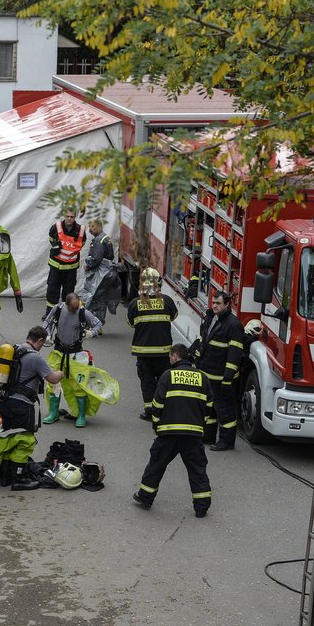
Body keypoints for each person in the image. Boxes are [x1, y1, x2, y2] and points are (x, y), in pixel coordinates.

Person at [133, 343, 215, 518]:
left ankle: (145, 497)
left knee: (157, 464)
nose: (169, 360)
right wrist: (201, 425)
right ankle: (201, 507)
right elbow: (209, 405)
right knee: (197, 469)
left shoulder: (168, 376)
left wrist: (156, 425)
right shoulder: (202, 377)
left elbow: (157, 405)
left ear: (176, 357)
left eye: (170, 357)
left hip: (168, 432)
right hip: (193, 434)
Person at [0, 326, 63, 488]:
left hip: (5, 401)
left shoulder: (13, 350)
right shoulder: (35, 357)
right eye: (42, 343)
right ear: (39, 340)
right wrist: (60, 373)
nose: (42, 347)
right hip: (22, 404)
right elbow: (52, 379)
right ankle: (18, 479)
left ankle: (5, 475)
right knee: (24, 439)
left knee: (8, 436)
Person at [193, 290, 245, 451]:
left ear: (227, 304)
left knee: (225, 411)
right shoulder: (210, 318)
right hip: (208, 373)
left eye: (218, 303)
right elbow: (203, 342)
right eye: (213, 302)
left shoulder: (233, 325)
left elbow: (235, 353)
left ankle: (226, 441)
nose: (215, 306)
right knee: (209, 408)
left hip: (222, 377)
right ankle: (208, 436)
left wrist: (228, 377)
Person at [42, 293, 103, 428]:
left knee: (78, 385)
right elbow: (47, 321)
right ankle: (53, 412)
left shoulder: (82, 312)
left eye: (77, 307)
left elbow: (98, 323)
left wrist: (92, 333)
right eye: (72, 308)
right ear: (67, 304)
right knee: (53, 383)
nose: (75, 310)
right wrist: (45, 334)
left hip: (76, 354)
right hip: (58, 353)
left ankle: (80, 415)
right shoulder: (58, 309)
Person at [127, 267, 179, 421]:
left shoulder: (135, 304)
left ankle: (150, 412)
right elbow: (174, 316)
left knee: (147, 382)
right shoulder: (167, 301)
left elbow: (130, 323)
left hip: (143, 354)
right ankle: (163, 410)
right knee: (164, 382)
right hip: (163, 353)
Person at [45, 208, 86, 316]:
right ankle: (50, 313)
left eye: (71, 217)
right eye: (67, 216)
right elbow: (51, 238)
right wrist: (56, 246)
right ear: (64, 215)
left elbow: (83, 243)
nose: (69, 219)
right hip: (56, 266)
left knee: (68, 292)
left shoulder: (80, 230)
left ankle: (66, 314)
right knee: (52, 289)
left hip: (71, 268)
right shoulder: (56, 227)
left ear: (75, 217)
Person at [78, 218, 119, 323]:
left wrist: (88, 265)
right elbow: (111, 256)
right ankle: (99, 322)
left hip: (100, 273)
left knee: (95, 297)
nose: (90, 230)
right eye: (90, 227)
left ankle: (95, 322)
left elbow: (96, 258)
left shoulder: (99, 240)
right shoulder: (106, 238)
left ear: (99, 227)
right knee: (102, 297)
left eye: (93, 227)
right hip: (107, 272)